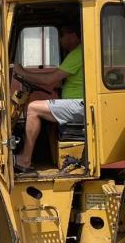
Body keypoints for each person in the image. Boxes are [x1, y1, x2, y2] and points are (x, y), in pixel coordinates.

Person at [13, 25, 84, 173]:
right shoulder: (77, 54)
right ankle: (50, 159)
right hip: (77, 104)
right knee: (43, 115)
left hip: (80, 105)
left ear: (73, 35)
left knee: (33, 108)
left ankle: (25, 159)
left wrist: (23, 72)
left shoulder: (77, 54)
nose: (60, 40)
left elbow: (49, 79)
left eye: (62, 35)